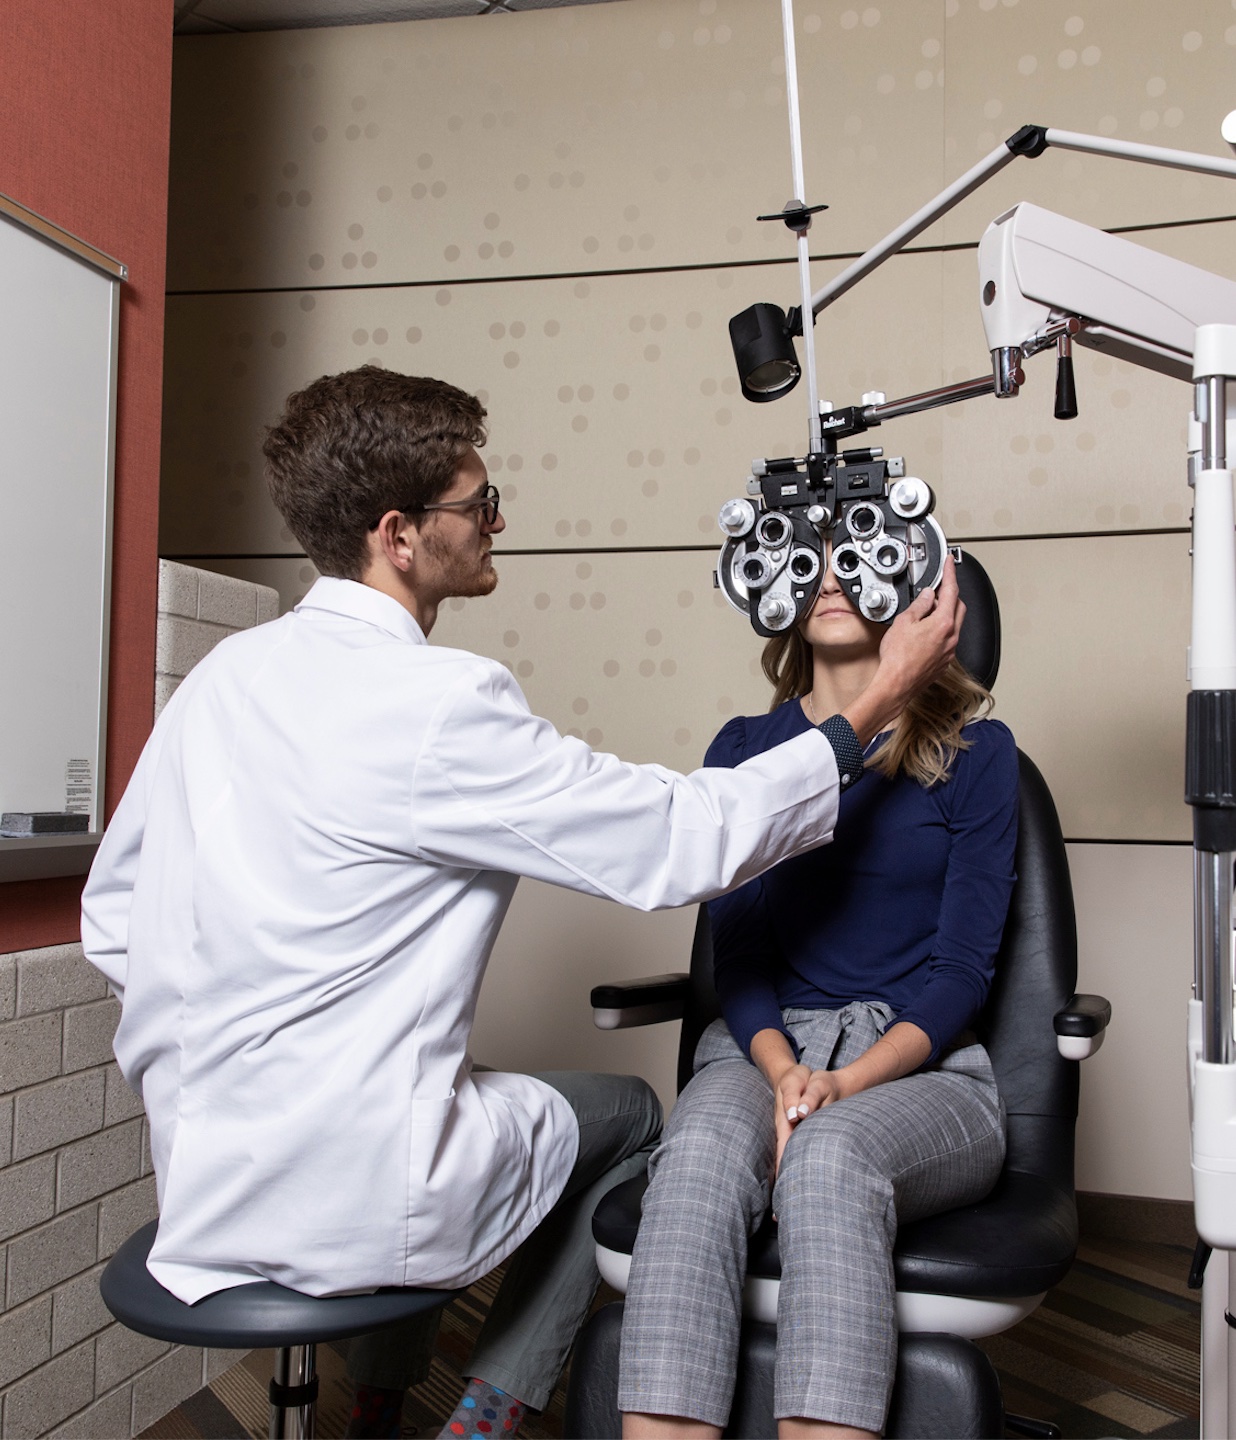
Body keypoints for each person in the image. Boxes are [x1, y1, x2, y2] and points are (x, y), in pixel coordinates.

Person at [80, 366, 964, 1440]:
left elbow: (112, 918)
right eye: (478, 505)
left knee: (491, 1107)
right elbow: (684, 840)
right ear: (400, 536)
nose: (497, 523)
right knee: (634, 1116)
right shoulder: (439, 705)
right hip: (362, 1191)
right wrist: (878, 699)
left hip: (207, 1177)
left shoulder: (223, 680)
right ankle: (488, 1411)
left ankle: (375, 1403)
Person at [618, 548, 1019, 1440]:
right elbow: (743, 957)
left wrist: (843, 1085)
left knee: (831, 1161)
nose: (830, 577)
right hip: (760, 1050)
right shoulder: (744, 751)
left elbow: (961, 973)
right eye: (810, 558)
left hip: (926, 1069)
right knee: (697, 1165)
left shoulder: (979, 755)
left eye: (856, 557)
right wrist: (786, 1068)